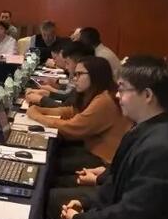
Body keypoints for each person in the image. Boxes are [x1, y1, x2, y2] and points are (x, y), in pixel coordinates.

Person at [43, 56, 168, 219]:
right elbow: (117, 187)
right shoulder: (151, 124)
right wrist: (85, 203)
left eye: (122, 89)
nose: (117, 96)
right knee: (48, 201)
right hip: (117, 218)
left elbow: (129, 218)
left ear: (147, 95)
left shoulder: (162, 149)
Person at [27, 57, 131, 185]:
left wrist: (36, 116)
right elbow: (73, 111)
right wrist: (43, 110)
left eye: (79, 74)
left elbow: (72, 128)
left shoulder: (104, 100)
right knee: (50, 159)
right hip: (92, 148)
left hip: (103, 160)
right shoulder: (96, 94)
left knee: (47, 169)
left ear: (95, 74)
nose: (74, 79)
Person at [25, 41, 95, 107]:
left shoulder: (87, 85)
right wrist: (48, 92)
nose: (66, 67)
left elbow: (67, 108)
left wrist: (42, 99)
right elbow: (68, 96)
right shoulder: (79, 77)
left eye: (67, 63)